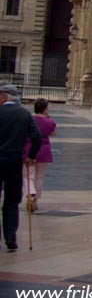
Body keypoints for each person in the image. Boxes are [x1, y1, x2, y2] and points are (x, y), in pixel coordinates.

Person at [0, 84, 41, 252]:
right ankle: (10, 238)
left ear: (4, 96)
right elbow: (36, 136)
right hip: (14, 159)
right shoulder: (24, 114)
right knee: (11, 200)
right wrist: (31, 155)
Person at [23, 98, 56, 211]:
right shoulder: (50, 122)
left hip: (29, 148)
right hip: (44, 150)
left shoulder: (29, 120)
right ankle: (35, 200)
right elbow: (53, 134)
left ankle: (30, 193)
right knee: (39, 177)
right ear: (45, 109)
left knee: (28, 175)